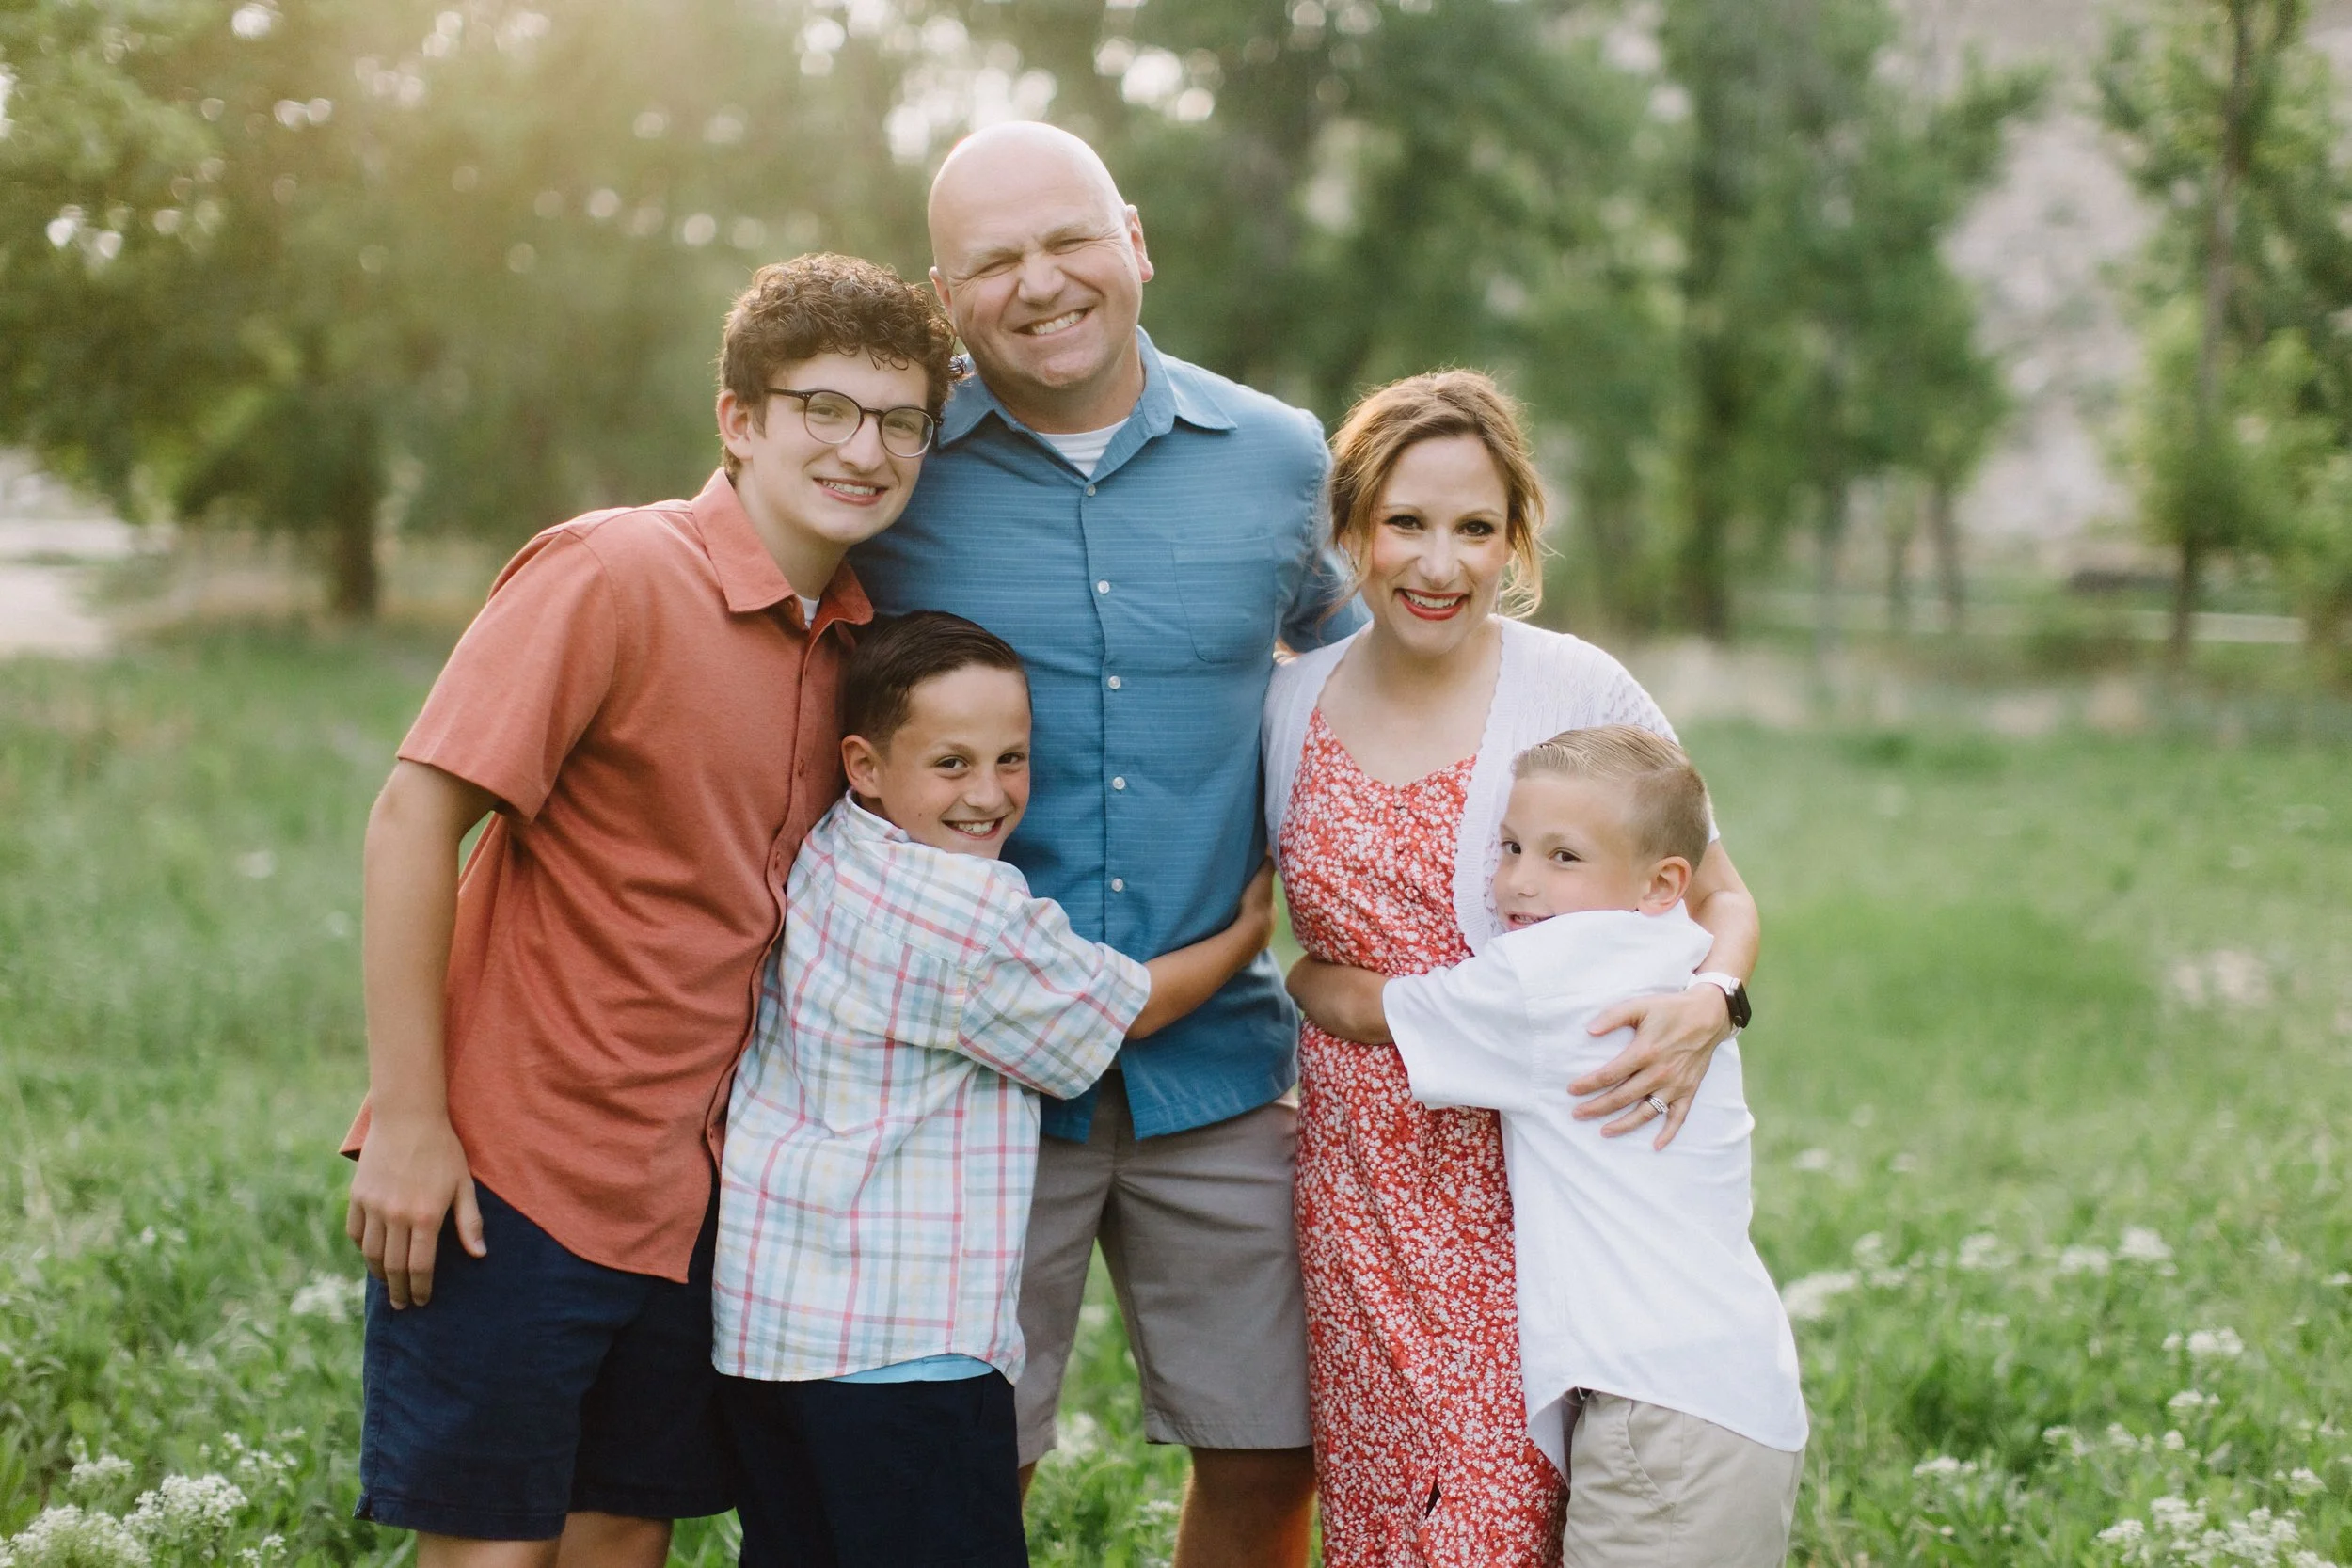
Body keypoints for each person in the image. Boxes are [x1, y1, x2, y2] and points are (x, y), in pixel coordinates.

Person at [339, 253, 955, 1568]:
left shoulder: (856, 639)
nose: (865, 447)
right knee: (493, 1551)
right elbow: (412, 819)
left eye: (900, 420)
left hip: (702, 1189)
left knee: (624, 1532)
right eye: (826, 409)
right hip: (517, 1171)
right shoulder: (614, 571)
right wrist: (409, 1120)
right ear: (739, 419)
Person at [848, 122, 1363, 1567]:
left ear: (1133, 237)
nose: (1040, 282)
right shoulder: (890, 474)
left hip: (1221, 1061)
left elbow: (1374, 688)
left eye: (1068, 238)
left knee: (1275, 1450)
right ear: (946, 297)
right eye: (992, 261)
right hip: (967, 1078)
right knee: (966, 1463)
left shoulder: (1277, 456)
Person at [1259, 370, 1761, 1566]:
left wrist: (1714, 1000)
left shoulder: (1576, 687)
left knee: (1505, 1511)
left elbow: (1718, 891)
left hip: (1537, 1169)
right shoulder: (1287, 703)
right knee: (1383, 1505)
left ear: (1514, 539)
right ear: (1352, 532)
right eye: (1407, 523)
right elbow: (1257, 920)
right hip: (1357, 1170)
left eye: (1475, 527)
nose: (1439, 562)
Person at [710, 610, 1278, 1568]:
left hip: (772, 1333)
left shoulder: (826, 853)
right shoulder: (970, 911)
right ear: (863, 762)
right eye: (952, 763)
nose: (989, 793)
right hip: (903, 1341)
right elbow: (1123, 1011)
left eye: (1011, 757)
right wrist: (1247, 932)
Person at [1286, 726, 1807, 1567]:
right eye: (1511, 845)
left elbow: (1354, 1008)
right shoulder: (1677, 952)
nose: (1520, 882)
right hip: (1720, 1389)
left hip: (1661, 1411)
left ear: (1662, 881)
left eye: (1565, 858)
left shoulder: (1549, 975)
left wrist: (1301, 967)